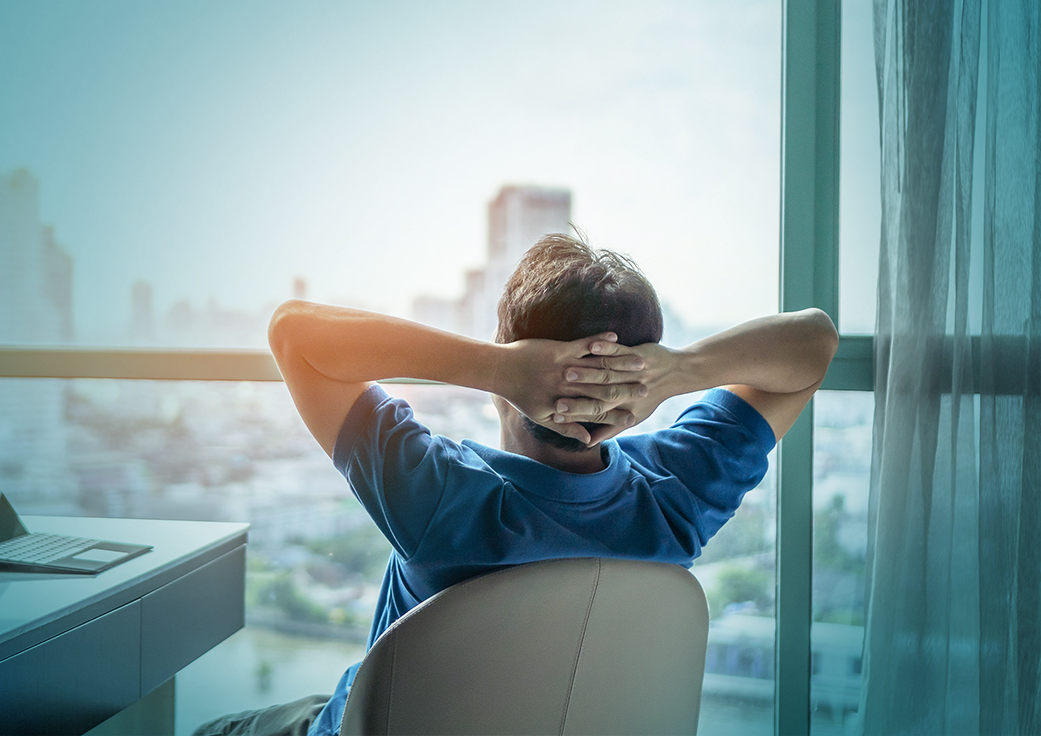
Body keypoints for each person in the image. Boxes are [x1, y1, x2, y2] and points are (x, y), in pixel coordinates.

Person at [195, 233, 838, 736]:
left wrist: (499, 368)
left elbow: (293, 333)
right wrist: (676, 372)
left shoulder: (440, 496)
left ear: (511, 351)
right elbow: (815, 341)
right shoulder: (676, 494)